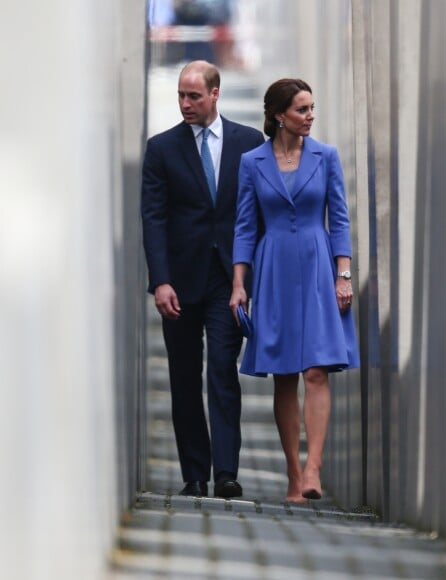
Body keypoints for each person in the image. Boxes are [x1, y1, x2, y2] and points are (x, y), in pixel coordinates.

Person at [229, 78, 360, 503]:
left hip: (318, 264)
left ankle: (313, 469)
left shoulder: (326, 157)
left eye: (311, 108)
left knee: (317, 370)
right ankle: (291, 473)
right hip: (274, 268)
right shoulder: (253, 162)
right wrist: (238, 285)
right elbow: (246, 226)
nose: (310, 116)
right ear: (279, 115)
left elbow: (338, 218)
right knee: (284, 375)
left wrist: (344, 274)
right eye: (302, 109)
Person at [141, 60, 265, 498]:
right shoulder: (161, 149)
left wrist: (250, 279)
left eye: (194, 95)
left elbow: (256, 215)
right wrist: (160, 281)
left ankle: (227, 471)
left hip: (229, 280)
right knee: (183, 375)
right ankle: (194, 473)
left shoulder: (249, 144)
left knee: (222, 372)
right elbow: (153, 219)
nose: (185, 103)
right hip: (179, 281)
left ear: (216, 94)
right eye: (180, 95)